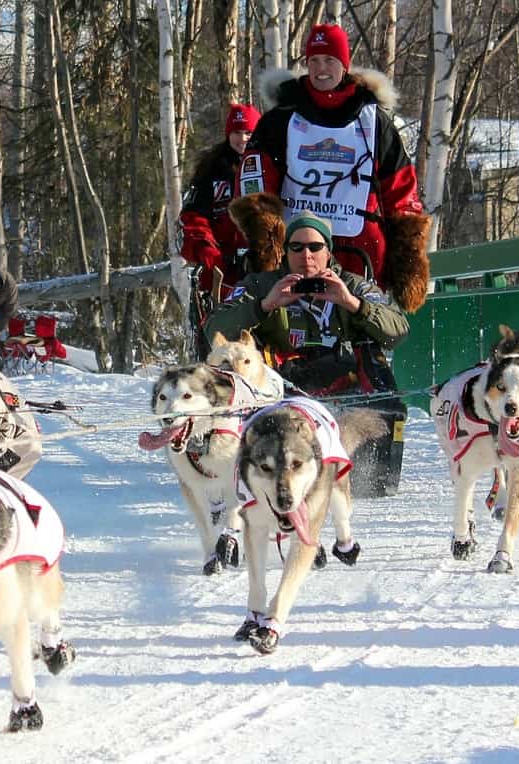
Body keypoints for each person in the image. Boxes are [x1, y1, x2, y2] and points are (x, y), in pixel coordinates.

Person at [204, 211, 409, 496]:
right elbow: (214, 329)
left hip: (343, 376)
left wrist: (353, 304)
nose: (306, 255)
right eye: (296, 247)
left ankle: (373, 479)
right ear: (285, 252)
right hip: (279, 380)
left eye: (315, 247)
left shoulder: (354, 286)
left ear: (328, 251)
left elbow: (398, 330)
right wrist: (265, 305)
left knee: (380, 385)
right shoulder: (260, 285)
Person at [236, 24, 430, 314]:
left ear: (345, 65)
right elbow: (255, 185)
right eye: (313, 60)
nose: (321, 69)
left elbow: (400, 192)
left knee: (363, 333)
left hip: (361, 253)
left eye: (329, 60)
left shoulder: (375, 122)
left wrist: (407, 263)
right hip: (298, 253)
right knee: (295, 338)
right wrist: (265, 246)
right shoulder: (280, 120)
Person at [180, 103, 262, 357]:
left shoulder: (268, 164)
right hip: (220, 268)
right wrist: (205, 246)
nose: (243, 139)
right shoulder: (211, 169)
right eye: (237, 132)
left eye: (249, 133)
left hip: (259, 263)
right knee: (218, 329)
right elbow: (194, 216)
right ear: (228, 134)